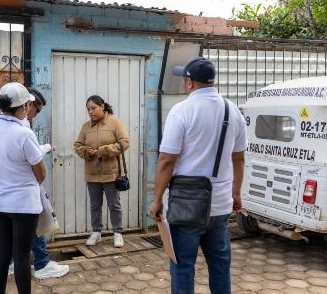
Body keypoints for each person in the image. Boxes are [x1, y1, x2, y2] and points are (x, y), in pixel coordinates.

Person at [150, 57, 247, 294]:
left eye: (185, 78)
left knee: (183, 266)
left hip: (186, 207)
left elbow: (166, 160)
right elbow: (239, 158)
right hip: (221, 205)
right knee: (220, 265)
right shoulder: (232, 110)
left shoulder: (182, 111)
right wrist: (236, 193)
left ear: (190, 82)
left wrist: (156, 200)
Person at [0, 82, 46, 294]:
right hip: (24, 205)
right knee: (21, 255)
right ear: (25, 106)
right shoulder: (24, 134)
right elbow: (41, 173)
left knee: (3, 253)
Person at [8, 88, 70, 279]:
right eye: (38, 109)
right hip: (25, 186)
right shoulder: (23, 128)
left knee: (18, 228)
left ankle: (13, 263)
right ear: (29, 104)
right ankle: (42, 264)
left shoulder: (0, 126)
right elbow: (35, 161)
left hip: (6, 189)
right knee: (37, 223)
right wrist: (40, 179)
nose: (36, 113)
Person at [74, 95, 130, 248]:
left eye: (93, 108)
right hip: (92, 174)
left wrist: (103, 151)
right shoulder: (86, 127)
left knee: (114, 204)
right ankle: (96, 232)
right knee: (95, 205)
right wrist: (86, 151)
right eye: (88, 109)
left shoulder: (115, 123)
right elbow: (78, 145)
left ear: (102, 106)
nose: (90, 112)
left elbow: (124, 143)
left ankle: (117, 233)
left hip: (111, 173)